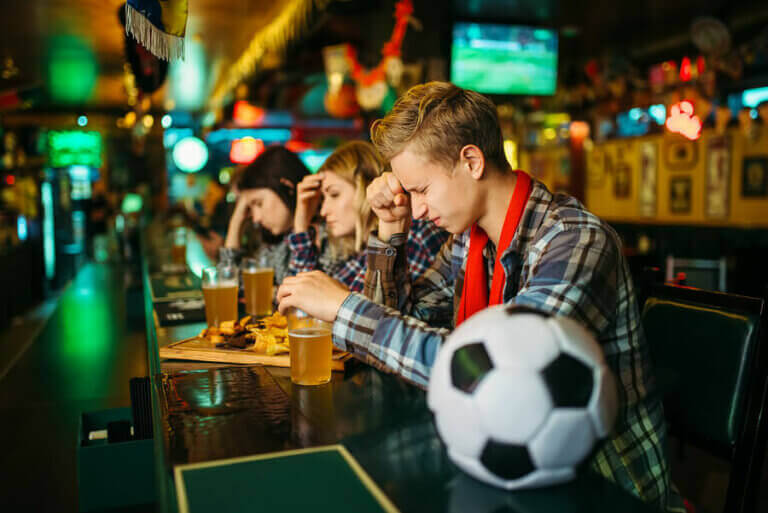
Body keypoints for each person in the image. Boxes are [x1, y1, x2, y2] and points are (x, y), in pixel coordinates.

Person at [276, 82, 685, 512]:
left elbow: (501, 382)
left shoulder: (574, 240)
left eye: (421, 190)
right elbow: (393, 340)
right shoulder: (468, 243)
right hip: (507, 468)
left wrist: (345, 308)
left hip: (601, 490)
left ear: (471, 161)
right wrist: (391, 231)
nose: (417, 210)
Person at [288, 140, 448, 291]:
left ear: (367, 188)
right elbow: (302, 297)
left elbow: (366, 307)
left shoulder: (413, 234)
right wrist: (301, 225)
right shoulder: (355, 249)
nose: (323, 211)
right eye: (322, 199)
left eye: (334, 194)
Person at [223, 145, 331, 283]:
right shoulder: (277, 242)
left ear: (287, 187)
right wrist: (235, 223)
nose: (256, 218)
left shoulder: (329, 234)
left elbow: (300, 291)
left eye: (259, 203)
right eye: (250, 208)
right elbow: (233, 284)